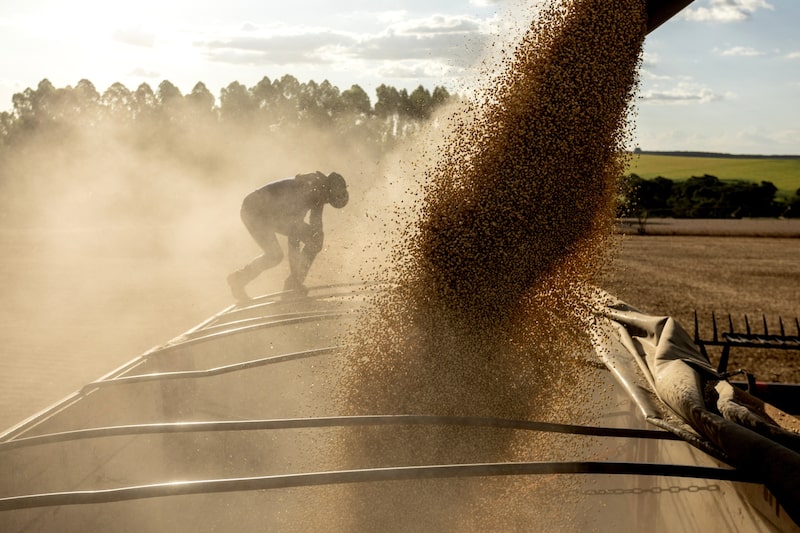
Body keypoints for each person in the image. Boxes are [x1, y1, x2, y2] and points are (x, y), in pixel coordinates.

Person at [227, 171, 348, 301]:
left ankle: (240, 279)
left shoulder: (319, 189)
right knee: (275, 255)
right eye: (328, 199)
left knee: (313, 239)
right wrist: (294, 282)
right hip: (254, 211)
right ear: (327, 191)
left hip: (265, 212)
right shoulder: (309, 191)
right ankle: (243, 279)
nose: (326, 202)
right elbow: (294, 239)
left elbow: (316, 228)